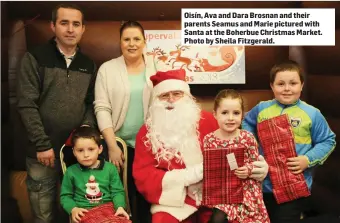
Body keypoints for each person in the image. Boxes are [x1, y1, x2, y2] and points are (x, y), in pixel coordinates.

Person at [133, 69, 270, 223]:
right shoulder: (147, 133)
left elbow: (236, 147)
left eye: (177, 94)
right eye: (164, 95)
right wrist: (188, 176)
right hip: (176, 202)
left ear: (186, 96)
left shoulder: (208, 119)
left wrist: (258, 167)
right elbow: (143, 176)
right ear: (156, 99)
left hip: (217, 196)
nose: (171, 99)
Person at [16, 4, 97, 223]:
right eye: (64, 23)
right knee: (43, 215)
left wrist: (85, 139)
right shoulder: (35, 58)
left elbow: (90, 104)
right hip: (42, 153)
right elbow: (26, 104)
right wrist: (42, 144)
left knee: (77, 212)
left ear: (83, 29)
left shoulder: (88, 64)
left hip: (75, 153)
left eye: (76, 24)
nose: (70, 29)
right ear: (53, 26)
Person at [242, 60, 336, 223]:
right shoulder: (261, 108)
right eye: (280, 84)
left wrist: (307, 159)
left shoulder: (312, 113)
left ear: (302, 85)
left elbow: (328, 141)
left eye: (293, 83)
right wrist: (252, 141)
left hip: (293, 187)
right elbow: (246, 122)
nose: (287, 88)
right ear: (272, 86)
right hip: (261, 185)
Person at [94, 20, 155, 222]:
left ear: (144, 42)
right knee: (122, 198)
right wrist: (111, 145)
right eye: (126, 39)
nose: (132, 44)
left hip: (150, 146)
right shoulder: (107, 69)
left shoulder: (156, 66)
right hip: (119, 145)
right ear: (120, 42)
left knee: (149, 198)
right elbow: (102, 108)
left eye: (137, 39)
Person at [203, 89, 269, 223]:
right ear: (215, 114)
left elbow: (255, 163)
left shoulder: (248, 137)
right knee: (218, 218)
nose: (231, 118)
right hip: (223, 192)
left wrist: (248, 169)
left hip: (247, 191)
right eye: (225, 113)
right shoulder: (209, 139)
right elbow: (208, 168)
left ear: (242, 115)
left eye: (236, 113)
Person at [60, 126, 130, 223]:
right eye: (80, 150)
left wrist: (120, 207)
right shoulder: (71, 172)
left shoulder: (110, 168)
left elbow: (117, 191)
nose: (86, 155)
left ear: (100, 149)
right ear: (74, 152)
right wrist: (73, 209)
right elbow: (65, 196)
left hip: (109, 208)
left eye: (91, 149)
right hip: (84, 210)